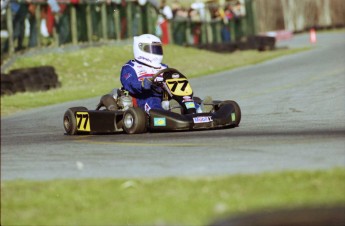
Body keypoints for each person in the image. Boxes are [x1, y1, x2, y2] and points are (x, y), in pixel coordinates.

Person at [120, 34, 168, 114]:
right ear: (140, 48)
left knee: (184, 99)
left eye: (157, 49)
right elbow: (130, 83)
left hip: (164, 96)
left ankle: (193, 111)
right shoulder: (131, 67)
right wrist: (142, 84)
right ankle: (161, 116)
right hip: (144, 97)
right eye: (152, 49)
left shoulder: (164, 67)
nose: (155, 52)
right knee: (153, 100)